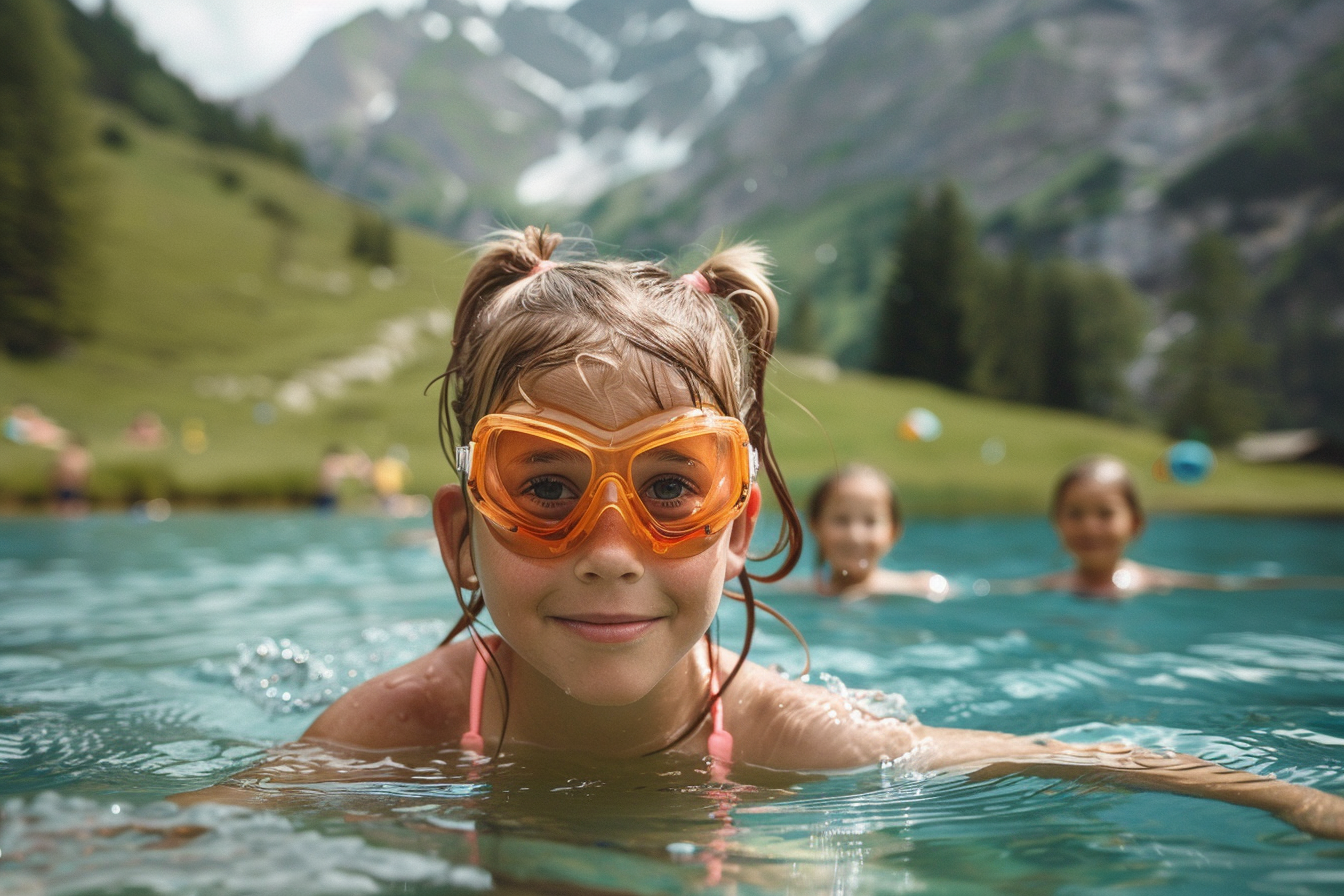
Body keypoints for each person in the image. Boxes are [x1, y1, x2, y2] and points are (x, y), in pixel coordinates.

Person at [182, 228, 1344, 839]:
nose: (608, 543)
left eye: (671, 488)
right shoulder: (415, 718)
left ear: (739, 524)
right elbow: (188, 833)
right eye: (544, 486)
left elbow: (1052, 754)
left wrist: (1295, 799)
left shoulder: (785, 729)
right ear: (459, 534)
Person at [987, 455, 1343, 598]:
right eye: (1075, 514)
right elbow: (989, 590)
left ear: (1136, 524)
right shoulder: (1051, 585)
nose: (1089, 526)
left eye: (1105, 514)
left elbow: (1224, 584)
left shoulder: (1153, 581)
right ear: (1056, 524)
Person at [801, 463, 949, 600]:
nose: (855, 536)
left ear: (894, 530)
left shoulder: (922, 588)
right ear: (814, 525)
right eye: (841, 520)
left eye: (870, 522)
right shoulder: (794, 592)